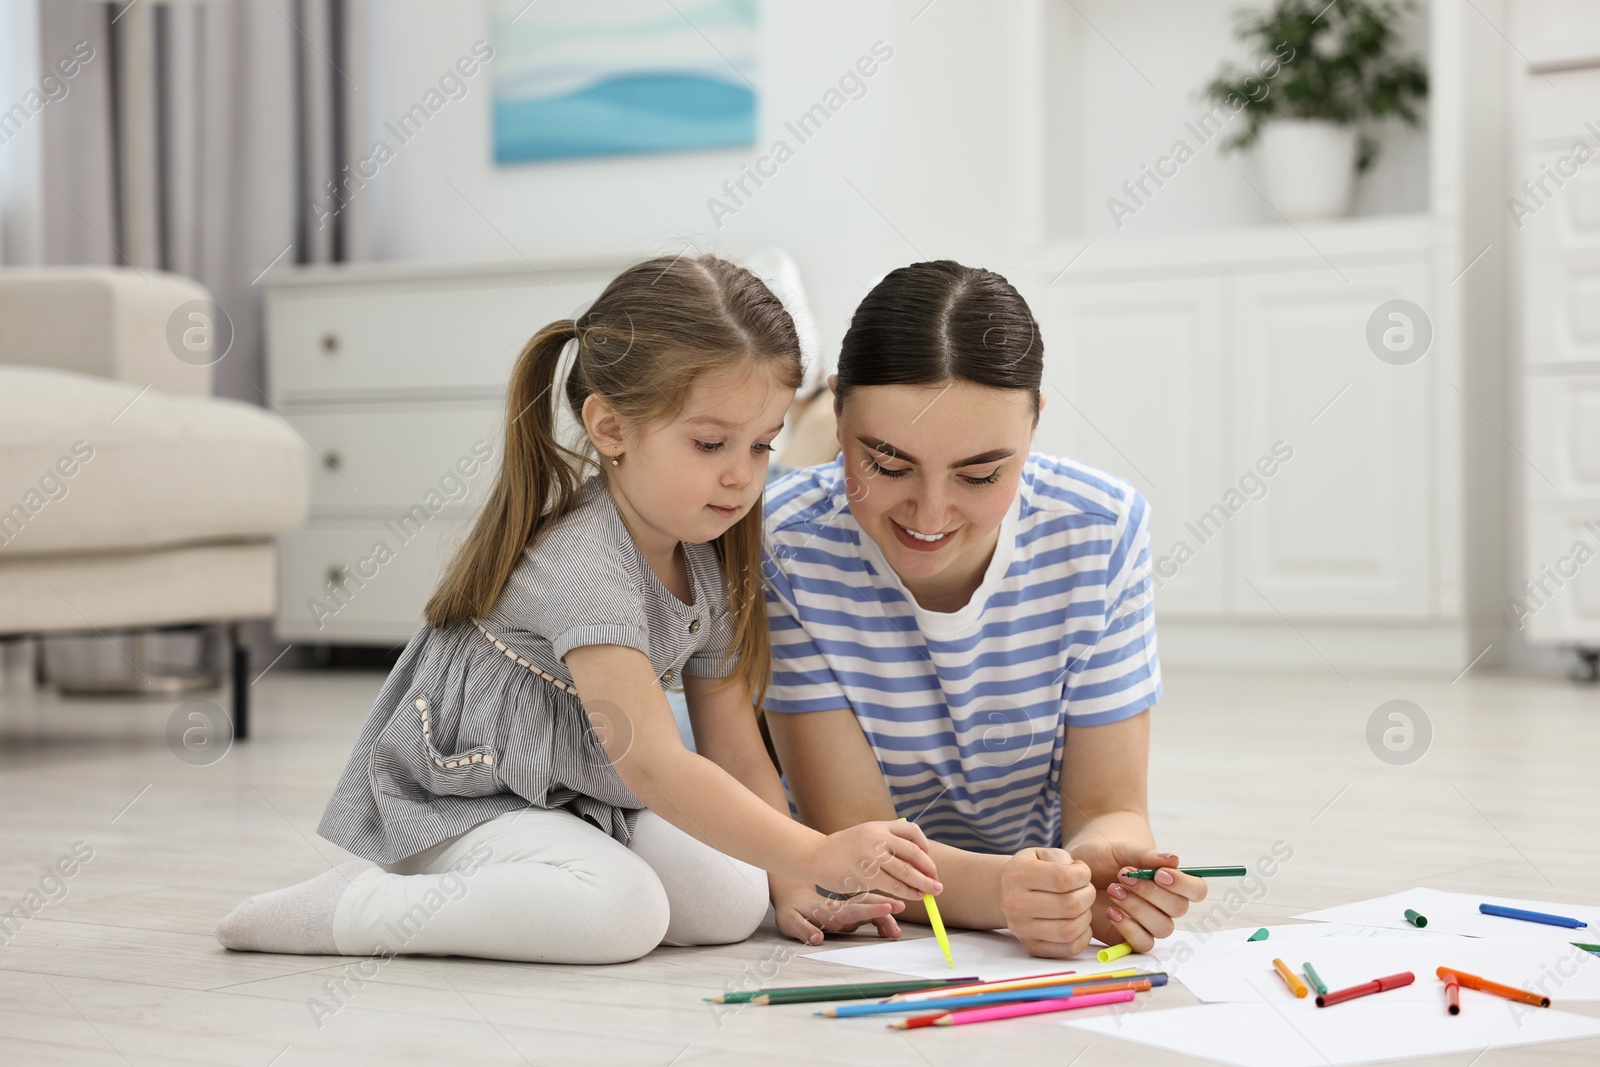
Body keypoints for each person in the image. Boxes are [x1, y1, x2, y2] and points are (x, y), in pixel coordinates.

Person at [215, 255, 937, 964]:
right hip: (467, 798)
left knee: (733, 899)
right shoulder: (585, 563)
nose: (741, 475)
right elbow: (653, 763)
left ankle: (545, 874)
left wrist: (792, 877)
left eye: (761, 445)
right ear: (610, 427)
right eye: (711, 442)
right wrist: (819, 847)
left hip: (580, 795)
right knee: (623, 913)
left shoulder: (706, 554)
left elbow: (737, 748)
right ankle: (358, 904)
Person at [763, 260, 1204, 959]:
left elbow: (1108, 806)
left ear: (1034, 428)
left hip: (1012, 865)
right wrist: (1007, 891)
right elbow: (854, 836)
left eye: (981, 474)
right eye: (887, 463)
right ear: (839, 414)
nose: (930, 513)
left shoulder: (1102, 528)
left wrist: (1110, 876)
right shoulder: (784, 543)